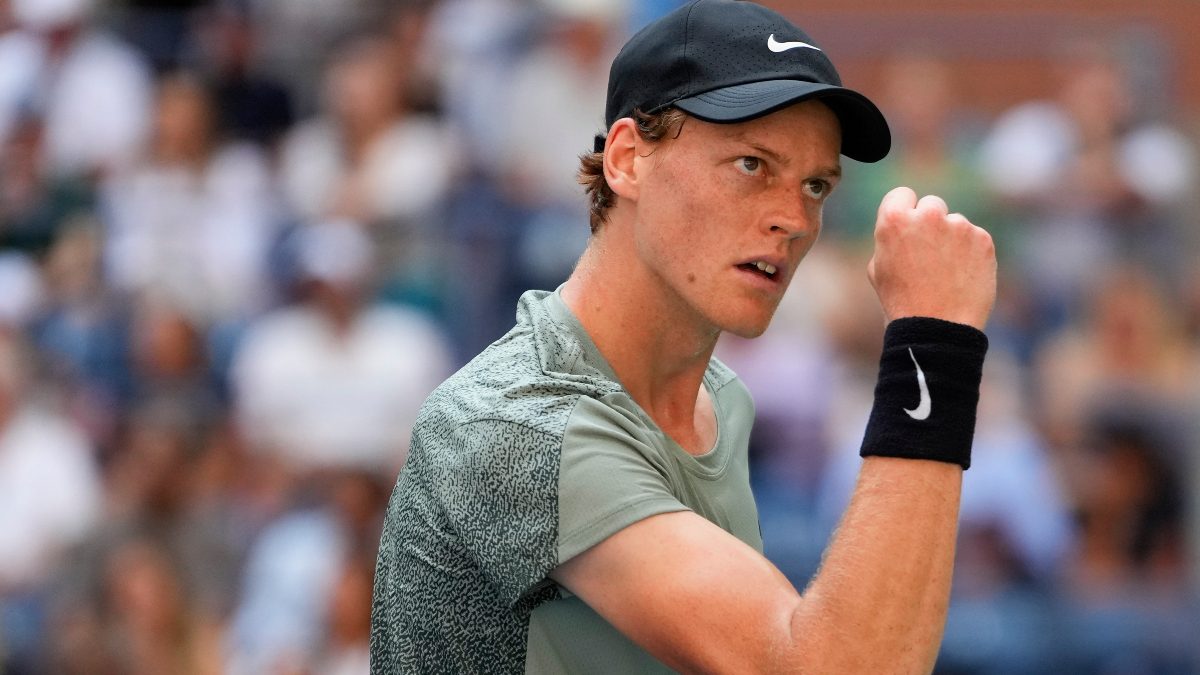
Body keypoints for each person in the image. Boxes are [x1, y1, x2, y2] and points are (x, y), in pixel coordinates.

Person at [370, 1, 997, 673]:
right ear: (626, 159)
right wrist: (933, 340)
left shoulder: (722, 400)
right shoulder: (511, 425)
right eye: (752, 164)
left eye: (816, 185)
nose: (793, 218)